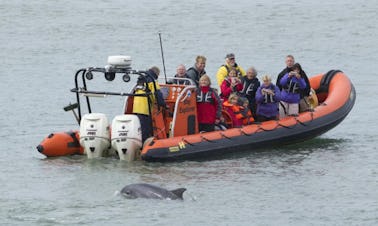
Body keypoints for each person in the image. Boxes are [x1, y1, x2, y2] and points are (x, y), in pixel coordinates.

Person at [133, 66, 167, 142]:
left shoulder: (141, 79)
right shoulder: (152, 80)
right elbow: (158, 94)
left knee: (139, 127)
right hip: (144, 108)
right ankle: (145, 144)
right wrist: (163, 105)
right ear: (156, 74)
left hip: (136, 107)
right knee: (146, 128)